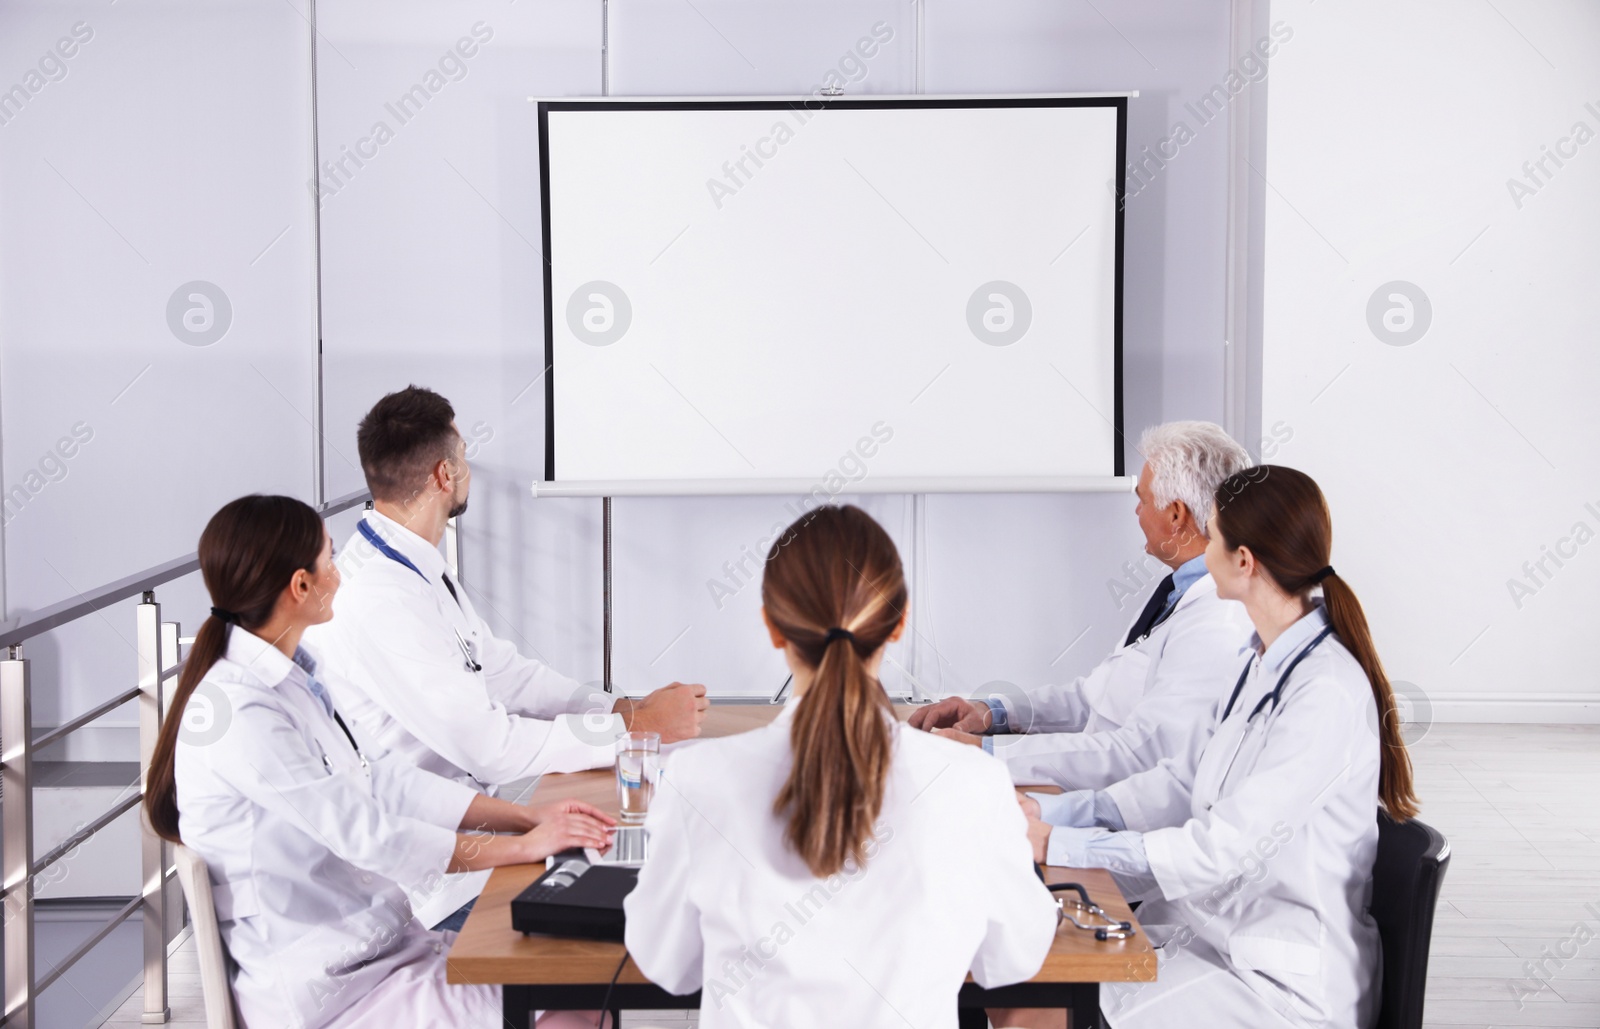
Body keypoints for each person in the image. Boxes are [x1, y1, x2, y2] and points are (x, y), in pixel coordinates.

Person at [145, 495, 617, 1028]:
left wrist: (525, 819)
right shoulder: (241, 713)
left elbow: (387, 780)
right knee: (568, 1012)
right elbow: (366, 835)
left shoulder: (296, 675)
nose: (340, 575)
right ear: (301, 586)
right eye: (330, 560)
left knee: (578, 984)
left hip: (381, 951)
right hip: (332, 989)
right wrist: (522, 849)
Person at [1006, 465, 1419, 1029]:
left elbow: (1219, 850)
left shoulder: (1324, 693)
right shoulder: (1261, 661)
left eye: (1216, 535)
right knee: (1021, 967)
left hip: (1275, 982)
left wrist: (1060, 842)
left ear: (1243, 561)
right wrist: (1049, 813)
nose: (1205, 545)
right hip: (1213, 934)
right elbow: (1183, 781)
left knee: (1044, 1002)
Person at [624, 506, 1058, 1028]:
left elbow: (669, 966)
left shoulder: (698, 779)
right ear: (898, 623)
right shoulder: (973, 784)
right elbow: (1013, 958)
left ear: (772, 625)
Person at [304, 385, 707, 926]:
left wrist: (619, 710)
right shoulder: (377, 597)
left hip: (478, 835)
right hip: (434, 881)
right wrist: (631, 730)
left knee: (639, 866)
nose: (468, 472)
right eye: (463, 458)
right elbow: (489, 748)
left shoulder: (412, 564)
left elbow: (502, 671)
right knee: (631, 906)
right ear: (444, 477)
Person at [911, 421, 1254, 792]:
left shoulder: (1217, 621)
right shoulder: (1175, 593)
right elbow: (1092, 699)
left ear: (1175, 515)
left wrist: (987, 752)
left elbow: (1138, 753)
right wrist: (992, 712)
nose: (1136, 512)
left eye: (1142, 499)